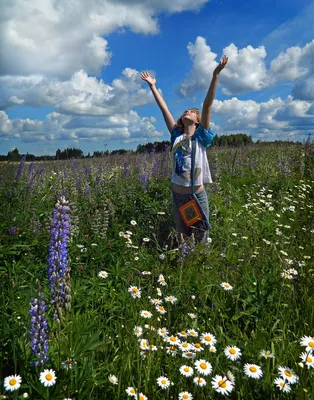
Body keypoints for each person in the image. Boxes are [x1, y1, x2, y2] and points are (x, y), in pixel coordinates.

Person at [140, 55, 228, 243]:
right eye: (185, 111)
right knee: (181, 235)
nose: (187, 111)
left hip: (196, 195)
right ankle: (184, 264)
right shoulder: (176, 136)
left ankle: (201, 266)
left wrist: (216, 75)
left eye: (192, 112)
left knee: (200, 236)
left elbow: (208, 104)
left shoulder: (201, 136)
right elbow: (165, 110)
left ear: (198, 121)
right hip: (177, 195)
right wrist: (153, 86)